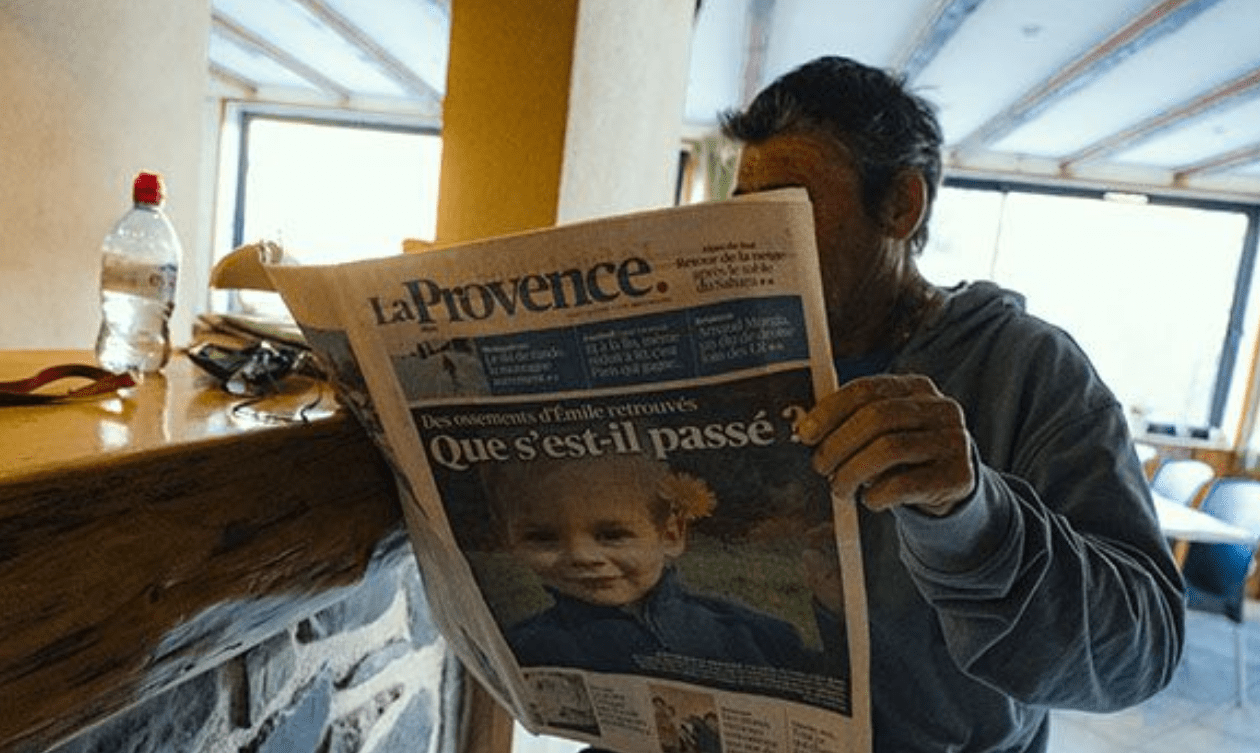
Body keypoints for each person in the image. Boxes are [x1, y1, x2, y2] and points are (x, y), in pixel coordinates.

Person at [716, 55, 1186, 752]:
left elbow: (1141, 654)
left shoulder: (1029, 369)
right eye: (746, 209)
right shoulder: (727, 353)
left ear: (901, 206)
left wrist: (974, 521)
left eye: (791, 205)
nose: (761, 234)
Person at [481, 453, 835, 677]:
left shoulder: (750, 631)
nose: (580, 556)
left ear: (671, 534)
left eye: (612, 535)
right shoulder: (526, 645)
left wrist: (835, 614)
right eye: (542, 538)